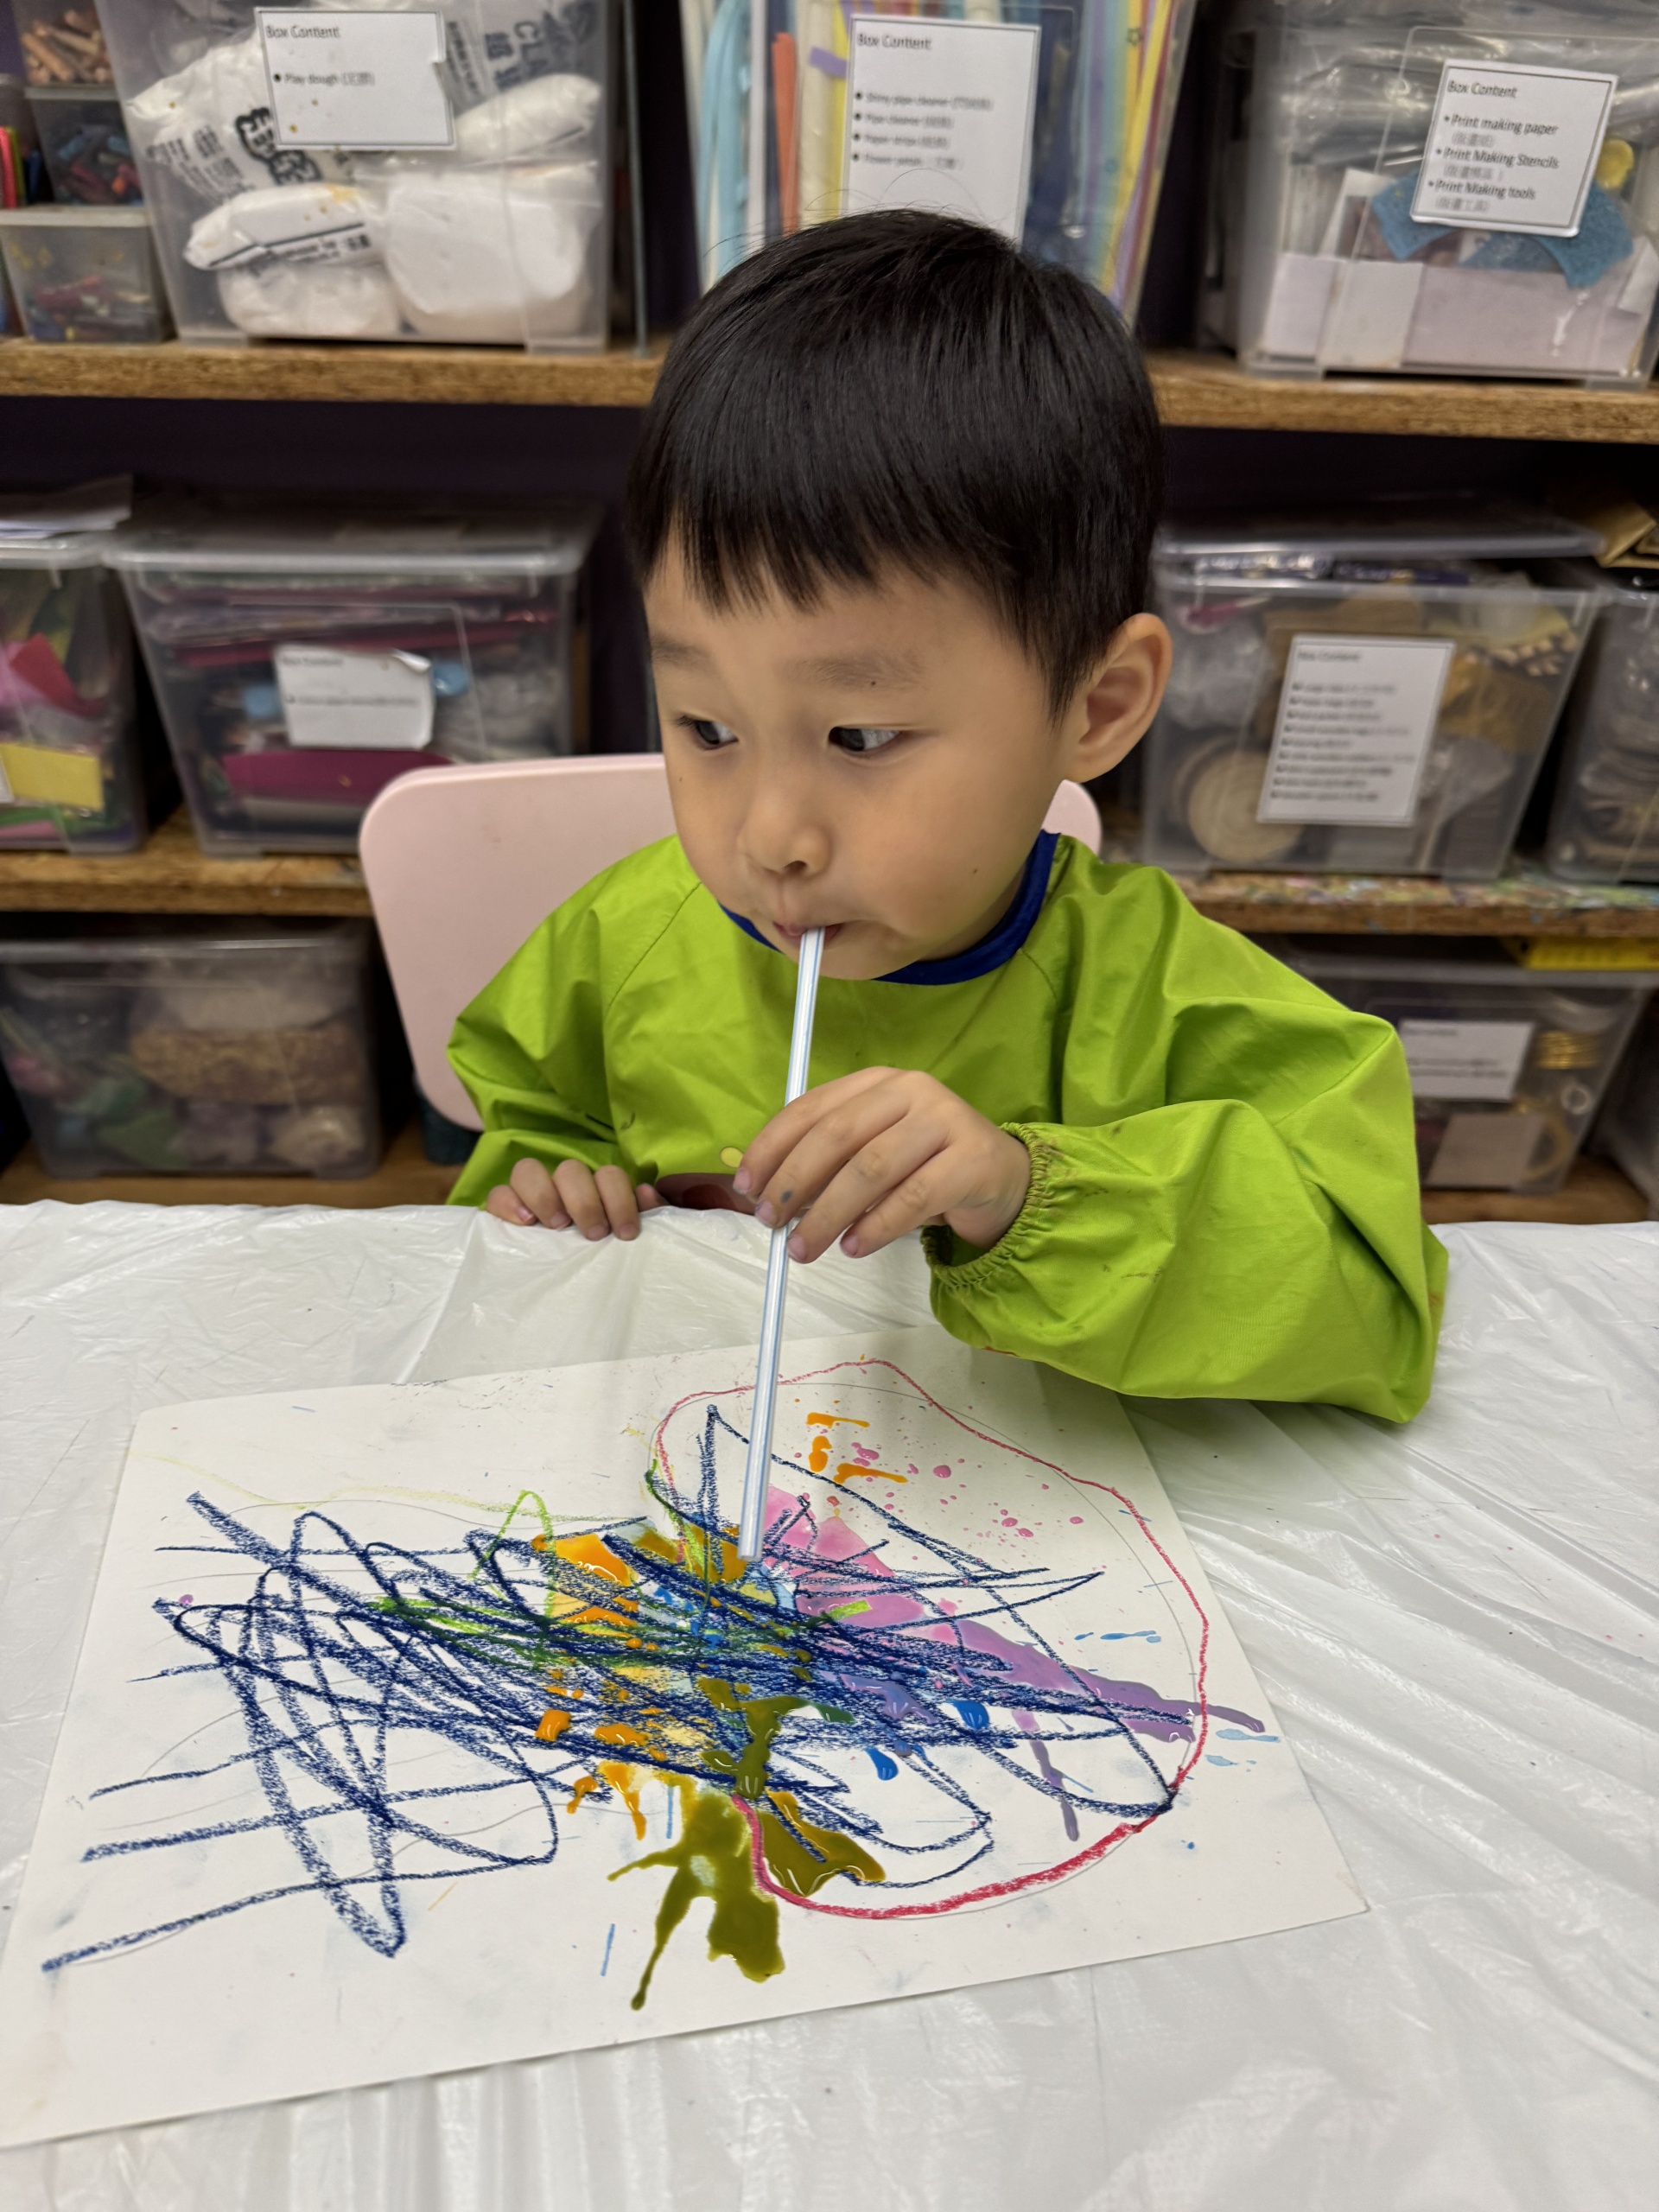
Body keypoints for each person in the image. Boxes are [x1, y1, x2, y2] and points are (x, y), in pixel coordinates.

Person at [446, 211, 1445, 1421]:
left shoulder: (1152, 992)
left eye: (862, 738)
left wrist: (1024, 1193)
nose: (770, 841)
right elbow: (529, 1128)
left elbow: (1369, 1296)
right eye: (706, 726)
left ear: (1096, 706)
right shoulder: (622, 942)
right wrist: (554, 1186)